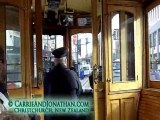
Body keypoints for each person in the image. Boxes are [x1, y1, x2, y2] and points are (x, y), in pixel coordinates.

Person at [44, 47, 81, 120]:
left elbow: (45, 94)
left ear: (54, 62)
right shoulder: (72, 74)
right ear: (66, 61)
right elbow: (79, 91)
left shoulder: (48, 76)